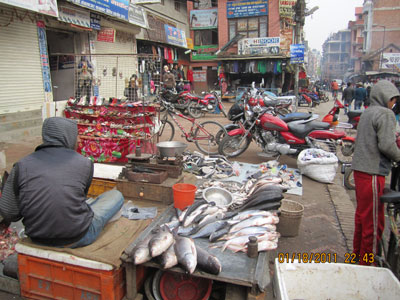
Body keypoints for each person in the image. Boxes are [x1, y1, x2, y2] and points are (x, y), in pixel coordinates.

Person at [0, 117, 124, 248]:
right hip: (79, 237)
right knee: (116, 196)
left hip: (36, 237)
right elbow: (81, 196)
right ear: (68, 136)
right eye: (76, 136)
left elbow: (8, 212)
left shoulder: (21, 165)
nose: (78, 140)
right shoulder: (85, 163)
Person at [351, 80, 400, 265]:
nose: (393, 104)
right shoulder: (385, 114)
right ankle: (367, 264)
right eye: (392, 100)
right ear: (385, 97)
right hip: (372, 172)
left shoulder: (368, 112)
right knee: (373, 223)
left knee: (362, 218)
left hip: (361, 171)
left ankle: (356, 257)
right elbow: (387, 145)